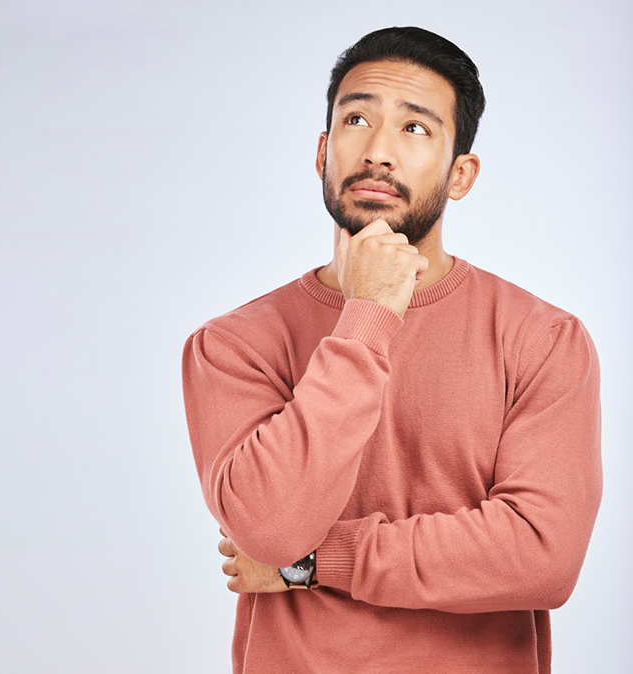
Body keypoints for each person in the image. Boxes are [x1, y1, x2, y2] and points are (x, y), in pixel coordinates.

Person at [181, 26, 601, 674]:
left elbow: (543, 553)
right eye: (356, 118)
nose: (377, 151)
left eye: (415, 129)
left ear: (460, 174)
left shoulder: (543, 340)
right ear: (323, 150)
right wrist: (370, 315)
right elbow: (268, 531)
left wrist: (318, 564)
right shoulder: (233, 345)